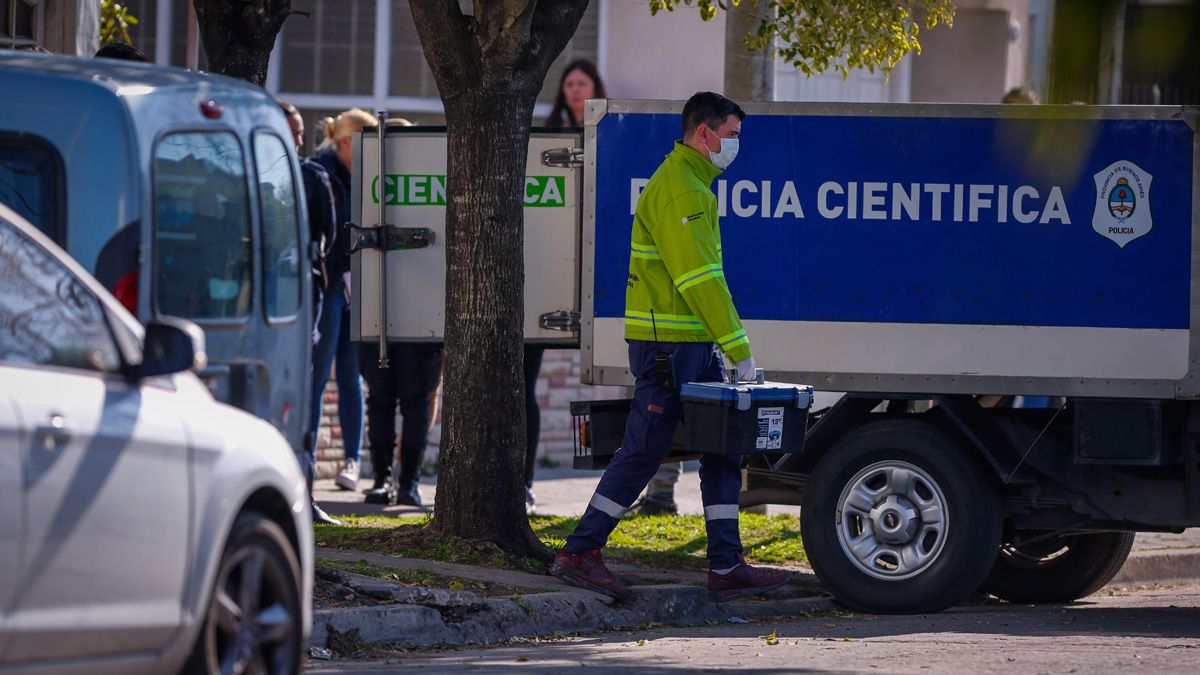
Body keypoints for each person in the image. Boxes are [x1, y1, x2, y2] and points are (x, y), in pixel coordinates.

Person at [549, 92, 789, 601]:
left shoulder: (692, 183)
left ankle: (727, 565)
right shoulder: (682, 190)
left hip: (688, 345)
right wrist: (740, 349)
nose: (736, 146)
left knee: (723, 447)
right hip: (670, 348)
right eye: (732, 136)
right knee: (643, 452)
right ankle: (580, 552)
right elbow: (701, 279)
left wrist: (721, 347)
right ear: (704, 134)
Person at [527, 59, 609, 511]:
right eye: (570, 83)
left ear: (596, 87)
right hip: (552, 263)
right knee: (525, 385)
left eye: (583, 82)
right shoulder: (546, 135)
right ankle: (523, 481)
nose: (576, 89)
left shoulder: (607, 129)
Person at [359, 117, 445, 508]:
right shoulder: (435, 181)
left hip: (382, 312)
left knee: (384, 399)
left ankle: (386, 481)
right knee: (409, 400)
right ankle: (403, 483)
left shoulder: (367, 181)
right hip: (418, 313)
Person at [279, 101, 342, 525]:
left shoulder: (311, 175)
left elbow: (329, 236)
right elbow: (328, 236)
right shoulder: (310, 177)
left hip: (294, 298)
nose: (300, 140)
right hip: (294, 298)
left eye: (301, 132)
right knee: (302, 393)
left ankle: (300, 490)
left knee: (306, 394)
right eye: (294, 130)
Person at [308, 108, 377, 493]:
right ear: (347, 142)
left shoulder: (366, 176)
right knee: (319, 376)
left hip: (357, 288)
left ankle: (352, 460)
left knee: (351, 377)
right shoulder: (319, 172)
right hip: (330, 285)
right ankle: (309, 458)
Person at [544, 59, 608, 128]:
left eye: (581, 83)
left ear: (595, 89)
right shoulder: (553, 127)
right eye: (569, 84)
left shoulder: (609, 125)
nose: (575, 90)